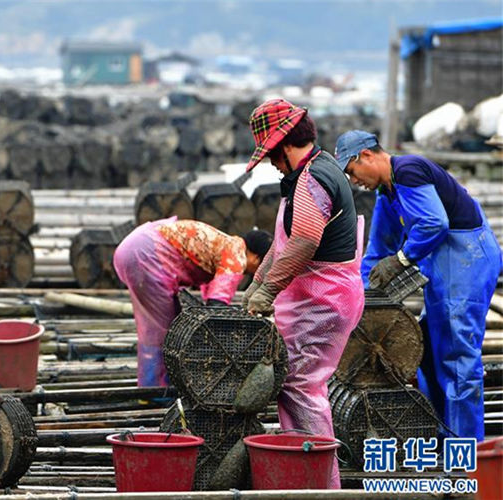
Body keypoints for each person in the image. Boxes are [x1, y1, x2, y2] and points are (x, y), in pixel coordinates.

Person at [334, 130, 503, 442]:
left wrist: (401, 259)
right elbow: (377, 250)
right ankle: (444, 433)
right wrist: (359, 296)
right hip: (445, 272)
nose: (353, 179)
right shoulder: (387, 193)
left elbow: (433, 223)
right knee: (427, 351)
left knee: (457, 357)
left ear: (367, 156)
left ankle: (468, 447)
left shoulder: (408, 170)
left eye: (352, 171)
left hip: (468, 263)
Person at [242, 99, 365, 489]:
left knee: (301, 386)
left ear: (284, 145)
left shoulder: (313, 179)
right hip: (317, 297)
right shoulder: (311, 173)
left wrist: (266, 293)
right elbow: (282, 245)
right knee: (298, 384)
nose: (271, 163)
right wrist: (255, 286)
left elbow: (304, 242)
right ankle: (304, 472)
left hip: (323, 301)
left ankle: (320, 484)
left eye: (271, 155)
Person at [113, 218, 272, 387]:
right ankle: (154, 391)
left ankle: (159, 385)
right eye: (266, 264)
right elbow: (216, 306)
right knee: (160, 331)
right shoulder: (236, 258)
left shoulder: (227, 244)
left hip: (137, 245)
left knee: (166, 324)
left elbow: (210, 296)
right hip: (146, 254)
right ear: (256, 257)